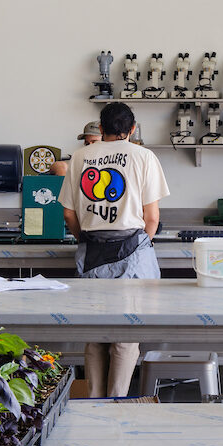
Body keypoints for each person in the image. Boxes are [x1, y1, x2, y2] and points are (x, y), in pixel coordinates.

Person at [61, 102, 168, 395]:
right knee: (126, 333)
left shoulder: (81, 157)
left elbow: (69, 214)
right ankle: (116, 401)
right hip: (132, 251)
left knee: (95, 333)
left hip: (92, 251)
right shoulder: (144, 156)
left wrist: (85, 237)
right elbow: (153, 218)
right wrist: (139, 245)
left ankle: (93, 403)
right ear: (132, 129)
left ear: (102, 128)